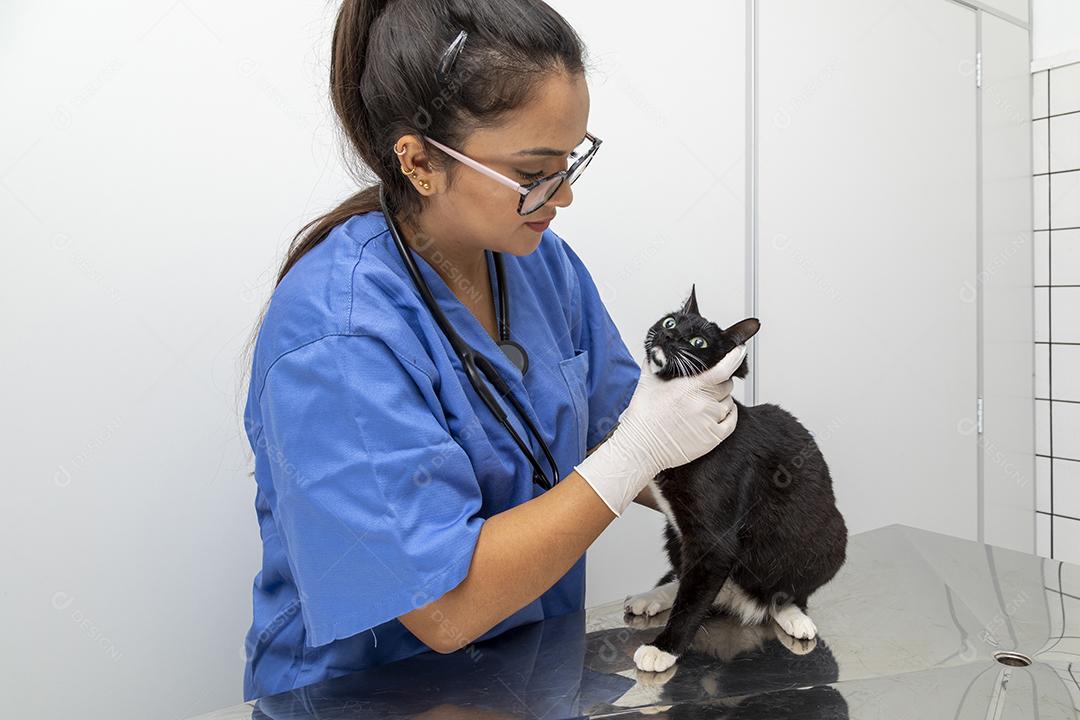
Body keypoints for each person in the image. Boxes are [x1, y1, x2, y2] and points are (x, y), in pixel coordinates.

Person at [239, 0, 746, 701]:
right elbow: (445, 608)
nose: (562, 195)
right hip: (371, 698)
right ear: (418, 161)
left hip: (528, 681)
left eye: (572, 160)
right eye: (535, 170)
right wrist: (638, 452)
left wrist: (747, 491)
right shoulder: (336, 337)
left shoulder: (540, 266)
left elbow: (621, 425)